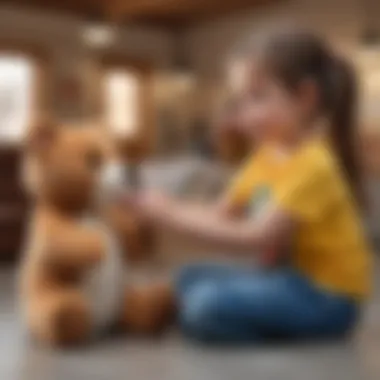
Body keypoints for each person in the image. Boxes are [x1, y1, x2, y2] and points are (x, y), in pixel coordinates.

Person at [124, 27, 372, 344]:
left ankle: (224, 320)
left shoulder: (315, 164)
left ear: (306, 98)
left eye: (257, 97)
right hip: (285, 281)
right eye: (240, 100)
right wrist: (165, 205)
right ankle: (231, 313)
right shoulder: (264, 157)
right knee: (187, 277)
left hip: (329, 300)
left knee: (204, 307)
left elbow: (256, 236)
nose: (244, 114)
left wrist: (168, 216)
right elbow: (221, 214)